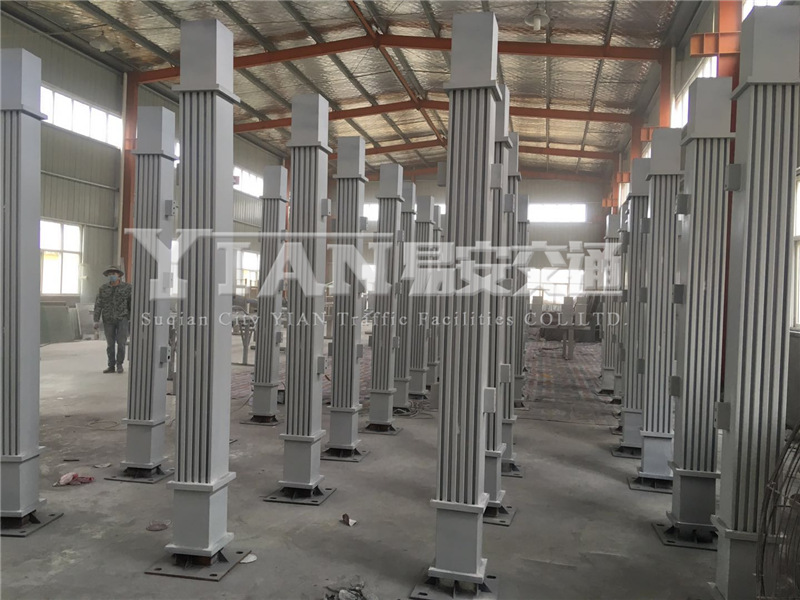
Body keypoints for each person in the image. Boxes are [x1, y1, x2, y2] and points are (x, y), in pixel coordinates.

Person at [93, 265, 132, 374]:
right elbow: (98, 304)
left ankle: (119, 364)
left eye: (114, 274)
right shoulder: (103, 288)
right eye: (110, 274)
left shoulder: (127, 288)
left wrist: (131, 318)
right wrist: (96, 320)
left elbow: (131, 303)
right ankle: (111, 365)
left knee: (121, 343)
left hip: (122, 318)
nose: (112, 276)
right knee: (110, 344)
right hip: (108, 319)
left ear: (119, 275)